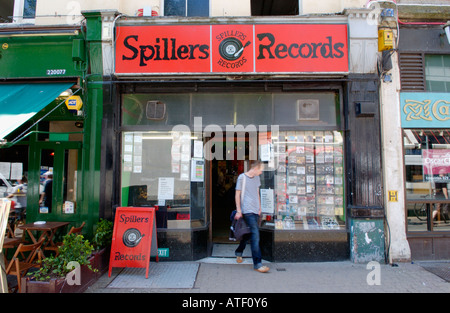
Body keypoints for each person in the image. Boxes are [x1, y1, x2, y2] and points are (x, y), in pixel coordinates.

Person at [234, 160, 269, 273]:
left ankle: (239, 252)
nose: (261, 173)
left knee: (248, 234)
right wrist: (239, 210)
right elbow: (237, 194)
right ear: (255, 168)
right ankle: (257, 264)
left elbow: (257, 193)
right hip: (247, 210)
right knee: (255, 234)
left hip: (255, 210)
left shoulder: (257, 178)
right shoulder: (242, 178)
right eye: (261, 170)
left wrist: (259, 208)